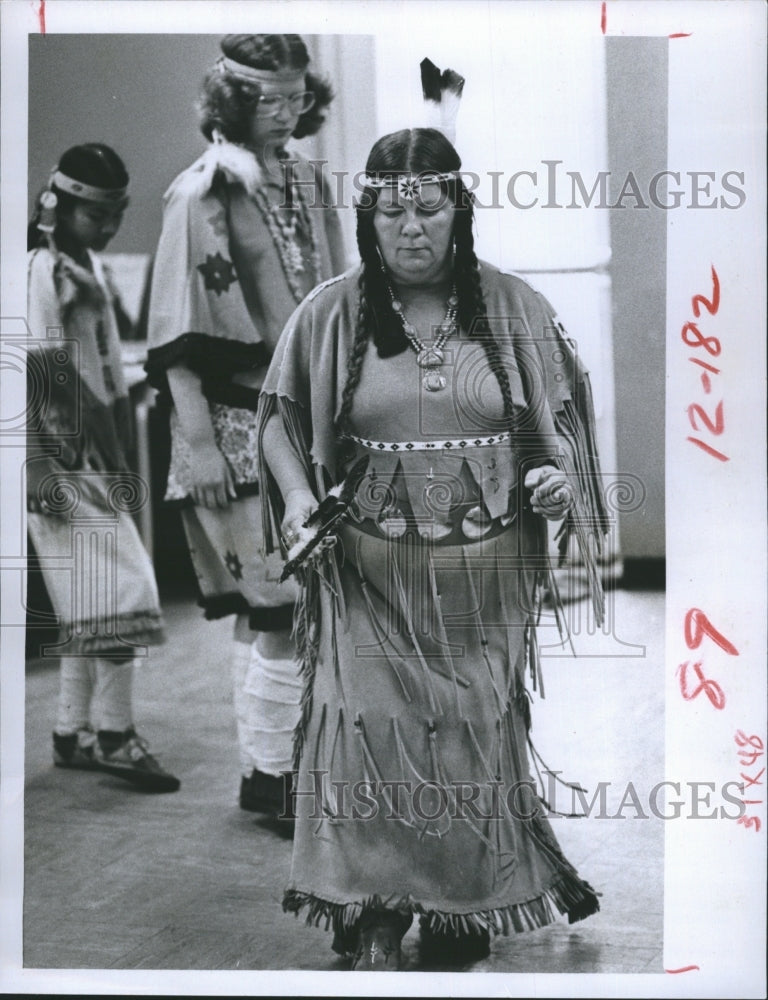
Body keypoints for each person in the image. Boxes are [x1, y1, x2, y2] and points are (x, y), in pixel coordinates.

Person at [258, 127, 609, 969]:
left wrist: (555, 481)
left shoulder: (514, 307)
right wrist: (302, 498)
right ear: (368, 217)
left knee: (463, 730)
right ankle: (373, 898)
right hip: (367, 573)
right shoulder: (333, 311)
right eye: (391, 210)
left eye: (429, 207)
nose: (411, 227)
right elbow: (277, 418)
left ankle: (459, 902)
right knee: (370, 728)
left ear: (460, 212)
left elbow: (559, 423)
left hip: (482, 580)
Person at [145, 35, 346, 822]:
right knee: (278, 606)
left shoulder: (305, 181)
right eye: (271, 99)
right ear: (232, 100)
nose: (288, 112)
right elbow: (177, 336)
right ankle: (271, 775)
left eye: (298, 97)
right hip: (229, 423)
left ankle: (277, 764)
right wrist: (197, 446)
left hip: (305, 419)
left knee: (287, 604)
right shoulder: (201, 193)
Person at [26, 143, 179, 793]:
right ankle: (113, 734)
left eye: (118, 215)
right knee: (125, 593)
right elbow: (36, 367)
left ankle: (71, 733)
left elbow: (109, 370)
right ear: (57, 207)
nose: (110, 228)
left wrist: (116, 450)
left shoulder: (85, 268)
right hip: (56, 456)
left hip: (91, 455)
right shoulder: (39, 269)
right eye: (98, 216)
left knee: (90, 604)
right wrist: (35, 464)